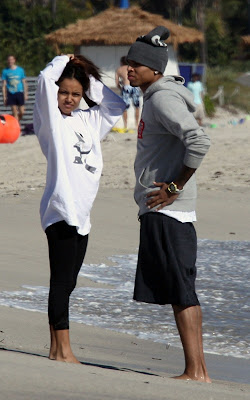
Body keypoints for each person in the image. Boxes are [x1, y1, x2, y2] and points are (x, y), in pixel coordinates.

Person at [126, 26, 211, 382]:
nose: (129, 67)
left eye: (136, 63)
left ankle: (196, 371)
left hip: (168, 209)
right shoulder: (155, 94)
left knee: (181, 288)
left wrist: (174, 185)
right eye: (128, 61)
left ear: (155, 69)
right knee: (179, 288)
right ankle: (198, 370)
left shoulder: (162, 98)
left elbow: (199, 141)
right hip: (163, 210)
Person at [33, 54, 125, 363]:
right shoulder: (51, 122)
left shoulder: (89, 120)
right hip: (60, 210)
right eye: (64, 92)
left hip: (82, 217)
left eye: (75, 93)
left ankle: (56, 348)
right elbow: (45, 80)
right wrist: (65, 60)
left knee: (68, 283)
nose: (69, 99)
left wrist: (86, 75)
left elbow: (115, 106)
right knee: (60, 282)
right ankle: (63, 350)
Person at [115, 56, 140, 131]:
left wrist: (120, 88)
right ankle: (137, 124)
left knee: (125, 108)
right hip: (135, 87)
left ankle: (125, 125)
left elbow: (117, 82)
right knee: (137, 107)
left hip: (126, 88)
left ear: (121, 62)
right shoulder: (132, 68)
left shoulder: (119, 69)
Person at [1, 55, 28, 121]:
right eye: (9, 60)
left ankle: (14, 122)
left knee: (22, 111)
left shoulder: (20, 70)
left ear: (14, 60)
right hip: (11, 93)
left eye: (11, 59)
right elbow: (4, 85)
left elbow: (24, 82)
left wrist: (26, 93)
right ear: (7, 61)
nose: (10, 61)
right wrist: (4, 97)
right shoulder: (5, 71)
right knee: (15, 112)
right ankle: (17, 128)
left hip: (19, 92)